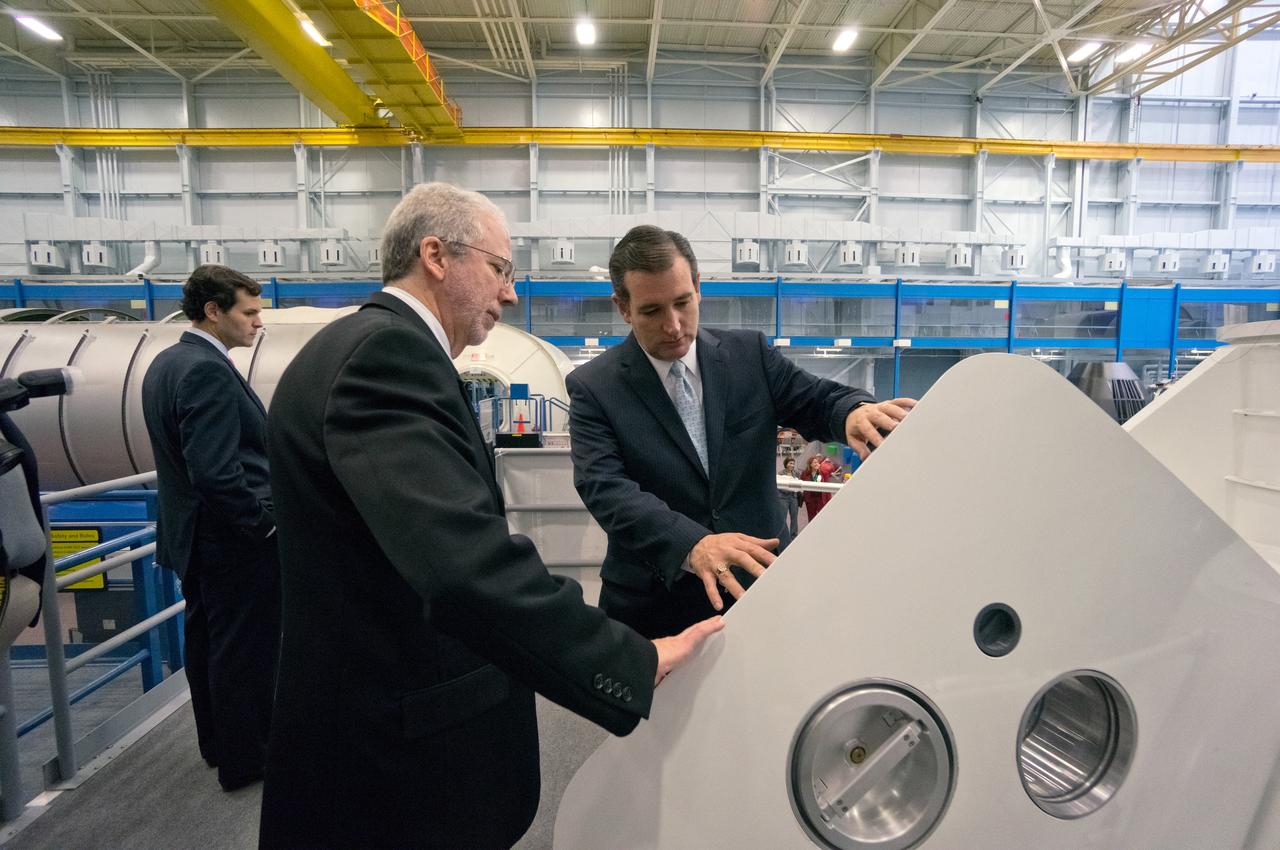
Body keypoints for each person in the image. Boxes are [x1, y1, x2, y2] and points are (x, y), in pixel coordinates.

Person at [258, 183, 721, 850]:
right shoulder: (385, 359)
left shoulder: (357, 347)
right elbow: (463, 564)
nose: (510, 294)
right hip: (395, 764)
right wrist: (629, 659)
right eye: (501, 268)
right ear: (436, 256)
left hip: (368, 727)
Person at [567, 225, 916, 639]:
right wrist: (691, 544)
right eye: (652, 311)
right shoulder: (594, 387)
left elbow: (815, 399)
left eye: (682, 302)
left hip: (761, 590)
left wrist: (852, 412)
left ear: (699, 287)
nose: (673, 326)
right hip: (655, 606)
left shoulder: (750, 355)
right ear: (623, 307)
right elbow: (605, 488)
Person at [140, 264, 279, 792]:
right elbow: (217, 474)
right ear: (213, 311)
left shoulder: (167, 362)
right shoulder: (206, 371)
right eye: (249, 312)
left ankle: (219, 745)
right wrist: (264, 527)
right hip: (231, 541)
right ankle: (247, 759)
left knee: (208, 642)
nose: (258, 322)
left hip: (194, 537)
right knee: (244, 649)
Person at [800, 454, 833, 521]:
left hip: (820, 498)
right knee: (811, 517)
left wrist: (829, 499)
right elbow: (801, 484)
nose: (817, 464)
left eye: (817, 462)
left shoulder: (823, 473)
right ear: (810, 464)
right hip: (810, 499)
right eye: (814, 462)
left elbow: (827, 486)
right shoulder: (805, 473)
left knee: (822, 517)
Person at [778, 456, 801, 537]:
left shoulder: (796, 473)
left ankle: (793, 535)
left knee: (794, 517)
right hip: (783, 498)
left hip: (793, 497)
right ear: (786, 464)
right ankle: (783, 535)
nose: (792, 465)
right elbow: (779, 486)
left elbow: (799, 484)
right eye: (790, 463)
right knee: (783, 517)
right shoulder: (780, 473)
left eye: (793, 464)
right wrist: (789, 489)